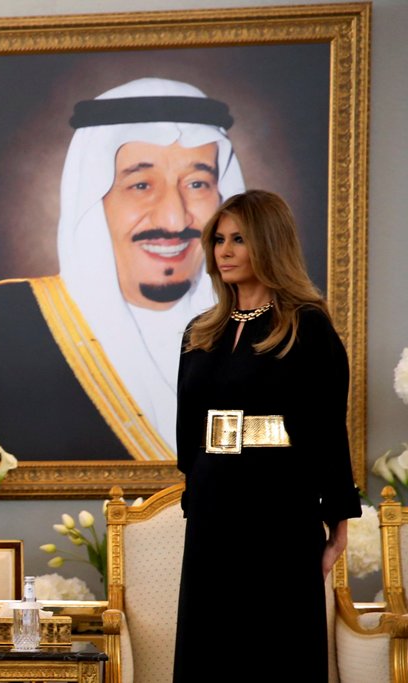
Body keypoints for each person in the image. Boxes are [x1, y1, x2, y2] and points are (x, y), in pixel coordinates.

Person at [0, 77, 246, 461]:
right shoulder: (12, 320)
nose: (175, 219)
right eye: (141, 185)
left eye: (197, 183)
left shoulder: (262, 328)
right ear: (93, 203)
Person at [172, 190, 360, 682]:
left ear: (270, 245)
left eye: (239, 239)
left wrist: (337, 519)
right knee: (209, 649)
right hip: (212, 508)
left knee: (275, 651)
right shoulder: (200, 331)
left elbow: (327, 428)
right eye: (219, 239)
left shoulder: (307, 327)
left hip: (278, 509)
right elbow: (188, 429)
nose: (225, 251)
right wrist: (196, 492)